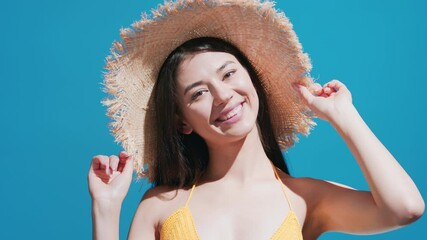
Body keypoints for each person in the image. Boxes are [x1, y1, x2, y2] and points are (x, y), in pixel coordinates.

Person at [88, 1, 424, 239]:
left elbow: (404, 208)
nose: (223, 96)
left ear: (252, 79)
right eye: (198, 93)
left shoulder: (306, 199)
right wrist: (106, 209)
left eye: (229, 73)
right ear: (182, 122)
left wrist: (344, 116)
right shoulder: (161, 205)